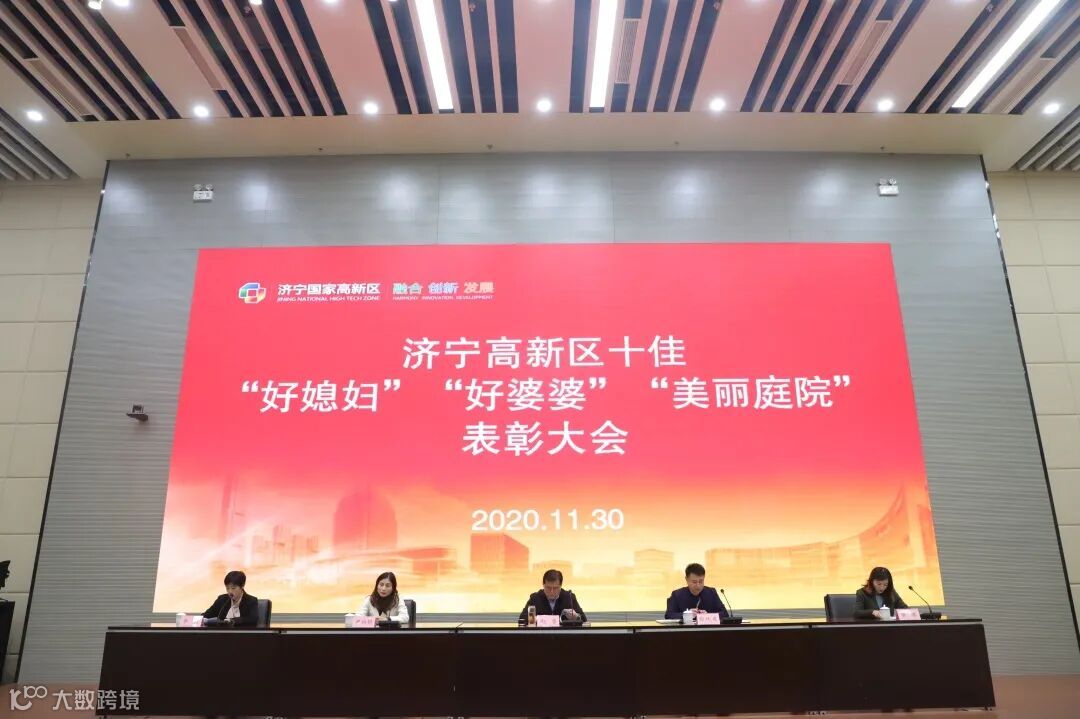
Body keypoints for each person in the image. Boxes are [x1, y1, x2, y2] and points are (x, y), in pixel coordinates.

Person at [664, 563, 729, 619]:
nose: (698, 585)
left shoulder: (711, 593)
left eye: (701, 581)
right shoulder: (677, 595)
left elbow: (725, 614)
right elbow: (668, 615)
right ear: (686, 579)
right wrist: (686, 615)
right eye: (694, 582)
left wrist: (708, 615)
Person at [519, 569, 587, 622]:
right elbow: (522, 619)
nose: (552, 591)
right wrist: (537, 619)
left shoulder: (569, 597)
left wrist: (576, 617)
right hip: (541, 634)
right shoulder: (535, 598)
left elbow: (584, 619)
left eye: (555, 588)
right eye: (548, 588)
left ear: (560, 586)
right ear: (543, 585)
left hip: (563, 634)